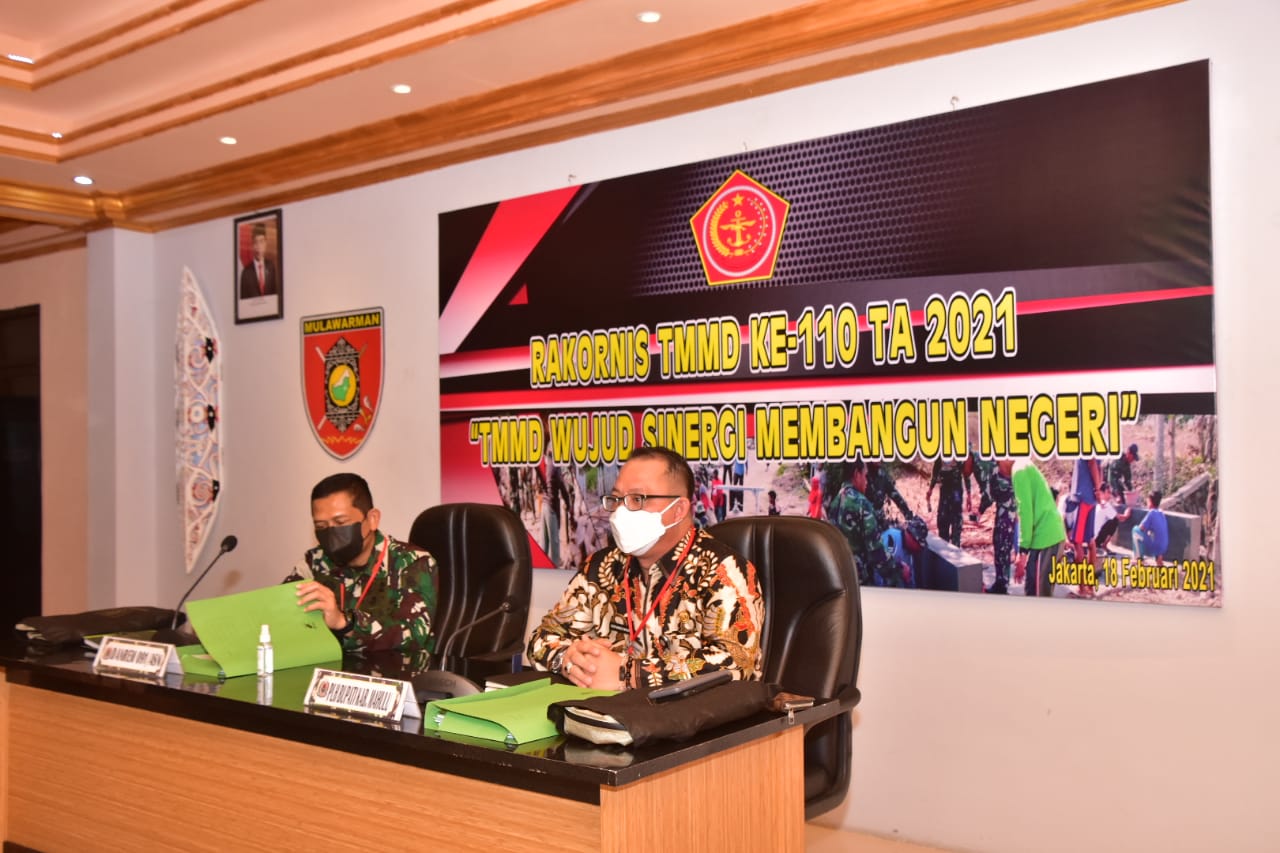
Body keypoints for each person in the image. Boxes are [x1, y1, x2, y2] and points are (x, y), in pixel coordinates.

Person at [527, 446, 764, 689]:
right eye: (617, 499)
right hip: (605, 709)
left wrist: (627, 673)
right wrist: (570, 660)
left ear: (678, 510)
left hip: (696, 712)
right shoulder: (601, 566)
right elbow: (541, 639)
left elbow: (734, 664)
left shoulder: (723, 571)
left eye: (637, 499)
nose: (621, 511)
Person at [289, 473, 438, 654]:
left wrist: (344, 622)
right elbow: (281, 617)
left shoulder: (412, 562)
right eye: (321, 526)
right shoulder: (315, 562)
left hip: (396, 669)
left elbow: (412, 635)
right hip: (331, 669)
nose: (331, 534)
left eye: (341, 522)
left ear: (373, 519)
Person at [834, 459, 901, 587]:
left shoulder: (836, 501)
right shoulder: (861, 503)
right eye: (865, 476)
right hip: (860, 579)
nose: (866, 481)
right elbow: (876, 552)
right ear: (856, 474)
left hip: (842, 576)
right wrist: (898, 570)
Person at [1010, 459, 1067, 597]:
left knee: (1039, 596)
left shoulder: (1019, 470)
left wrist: (1022, 552)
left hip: (1046, 539)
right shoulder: (1024, 465)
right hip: (1044, 538)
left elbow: (1025, 512)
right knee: (1033, 591)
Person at [986, 459, 1017, 594]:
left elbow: (989, 496)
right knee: (1002, 549)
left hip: (1007, 517)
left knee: (1002, 549)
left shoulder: (1000, 469)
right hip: (1008, 516)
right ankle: (1002, 582)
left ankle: (1002, 585)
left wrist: (980, 510)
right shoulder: (1008, 469)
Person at [926, 457, 968, 546]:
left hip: (956, 490)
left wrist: (969, 493)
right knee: (942, 521)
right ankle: (944, 547)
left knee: (956, 521)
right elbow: (936, 469)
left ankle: (955, 547)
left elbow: (966, 473)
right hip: (944, 490)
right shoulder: (940, 455)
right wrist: (930, 489)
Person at [865, 461, 913, 529]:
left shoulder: (882, 475)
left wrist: (908, 515)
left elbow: (895, 496)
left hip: (880, 521)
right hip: (866, 522)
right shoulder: (862, 476)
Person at [238, 222, 278, 299]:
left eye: (261, 241)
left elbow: (275, 295)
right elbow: (243, 301)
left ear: (265, 243)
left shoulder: (271, 267)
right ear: (252, 245)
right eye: (256, 242)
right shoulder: (246, 272)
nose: (259, 246)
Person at [1132, 490, 1170, 564]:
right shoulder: (1161, 513)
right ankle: (1159, 558)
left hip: (1155, 547)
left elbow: (1141, 528)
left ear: (1150, 501)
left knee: (1135, 530)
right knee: (1154, 536)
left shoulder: (1151, 513)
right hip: (1163, 547)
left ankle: (1138, 559)